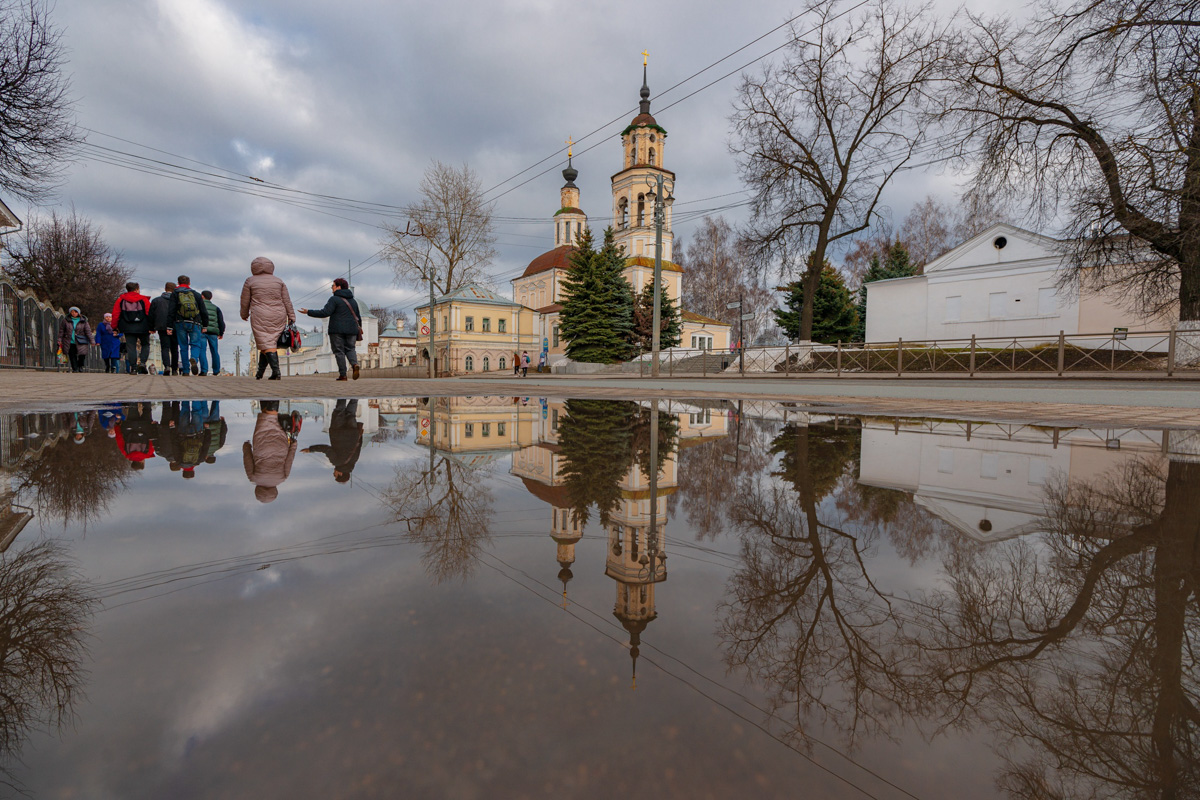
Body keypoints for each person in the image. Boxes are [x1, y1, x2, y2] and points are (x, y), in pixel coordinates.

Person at [240, 256, 294, 381]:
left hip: (260, 315)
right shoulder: (279, 281)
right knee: (267, 343)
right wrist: (291, 315)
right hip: (279, 314)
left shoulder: (250, 281)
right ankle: (260, 373)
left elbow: (244, 300)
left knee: (267, 343)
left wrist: (244, 314)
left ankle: (276, 372)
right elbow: (287, 300)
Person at [299, 278, 362, 381]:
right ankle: (355, 364)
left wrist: (309, 312)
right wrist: (358, 329)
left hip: (337, 330)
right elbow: (358, 317)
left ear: (338, 287)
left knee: (339, 351)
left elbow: (325, 312)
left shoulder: (334, 299)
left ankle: (343, 375)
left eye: (333, 286)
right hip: (352, 330)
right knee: (350, 349)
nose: (331, 288)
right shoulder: (353, 301)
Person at [243, 400, 298, 503]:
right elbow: (247, 459)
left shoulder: (282, 478)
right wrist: (246, 446)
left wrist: (293, 445)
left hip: (280, 447)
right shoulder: (254, 478)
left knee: (272, 418)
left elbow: (289, 460)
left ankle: (271, 400)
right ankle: (271, 398)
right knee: (265, 419)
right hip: (261, 446)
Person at [302, 399, 363, 482]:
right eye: (335, 475)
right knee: (339, 411)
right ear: (340, 474)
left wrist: (357, 433)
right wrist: (311, 449)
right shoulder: (337, 462)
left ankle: (354, 396)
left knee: (351, 414)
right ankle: (342, 394)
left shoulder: (353, 461)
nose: (333, 473)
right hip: (338, 431)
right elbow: (326, 449)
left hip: (353, 432)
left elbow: (359, 445)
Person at [167, 275, 210, 376]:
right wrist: (205, 325)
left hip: (180, 323)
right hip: (195, 323)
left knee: (183, 347)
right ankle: (194, 358)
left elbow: (171, 311)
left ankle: (186, 370)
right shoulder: (196, 294)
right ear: (189, 283)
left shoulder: (175, 294)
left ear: (178, 283)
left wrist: (169, 326)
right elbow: (203, 311)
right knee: (195, 344)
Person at [113, 281, 151, 374]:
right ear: (137, 289)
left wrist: (114, 327)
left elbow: (116, 314)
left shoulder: (121, 300)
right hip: (143, 326)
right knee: (145, 344)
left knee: (131, 347)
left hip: (127, 327)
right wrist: (152, 327)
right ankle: (142, 363)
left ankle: (133, 368)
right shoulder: (143, 299)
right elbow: (149, 313)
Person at [149, 282, 180, 375]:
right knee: (174, 348)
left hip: (162, 327)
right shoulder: (178, 301)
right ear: (175, 289)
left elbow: (151, 315)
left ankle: (167, 366)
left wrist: (151, 327)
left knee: (165, 348)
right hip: (176, 327)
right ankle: (174, 369)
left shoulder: (156, 301)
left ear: (165, 289)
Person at [57, 307, 93, 372]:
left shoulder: (83, 321)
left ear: (78, 313)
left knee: (82, 354)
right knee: (72, 355)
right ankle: (75, 368)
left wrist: (92, 341)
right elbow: (61, 330)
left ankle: (80, 366)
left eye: (75, 312)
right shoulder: (66, 320)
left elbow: (88, 331)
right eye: (72, 312)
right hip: (69, 340)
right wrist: (59, 339)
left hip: (81, 340)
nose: (74, 313)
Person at [200, 290, 225, 375]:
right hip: (213, 332)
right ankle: (216, 370)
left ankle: (204, 370)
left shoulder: (199, 306)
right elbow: (221, 321)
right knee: (214, 351)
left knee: (202, 350)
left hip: (202, 331)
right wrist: (221, 333)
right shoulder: (216, 308)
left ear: (202, 296)